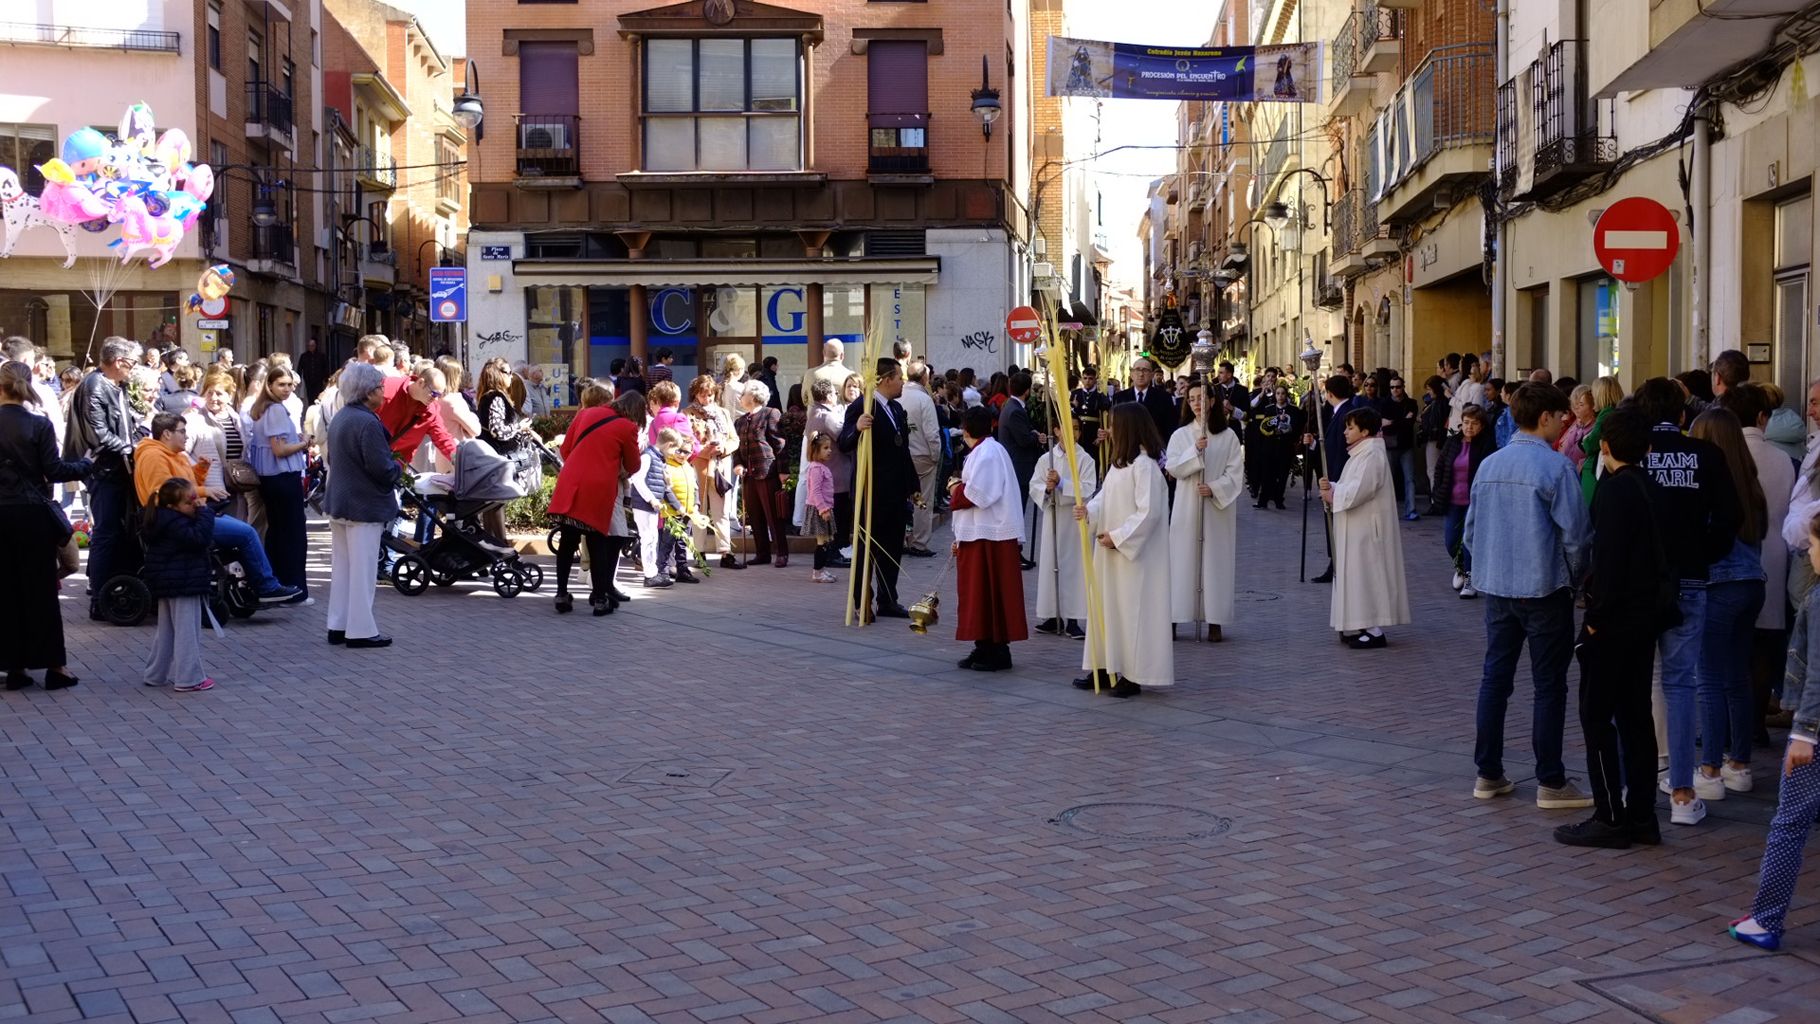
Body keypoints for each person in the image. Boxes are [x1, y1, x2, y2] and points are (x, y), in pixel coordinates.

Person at [1464, 383, 1593, 806]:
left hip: (1498, 587)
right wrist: (1576, 580)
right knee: (1548, 685)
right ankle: (1551, 780)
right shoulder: (1556, 468)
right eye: (1560, 417)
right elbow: (1576, 538)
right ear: (1544, 418)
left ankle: (1488, 772)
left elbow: (1470, 533)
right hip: (1543, 588)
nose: (1564, 423)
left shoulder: (1490, 465)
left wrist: (1486, 566)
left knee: (1495, 679)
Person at [1556, 408, 1674, 848]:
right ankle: (1642, 814)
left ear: (1604, 446)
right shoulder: (1651, 489)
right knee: (1635, 717)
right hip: (1645, 620)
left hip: (1615, 622)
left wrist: (1592, 625)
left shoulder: (1612, 493)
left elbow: (1605, 567)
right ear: (1645, 448)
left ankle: (1610, 814)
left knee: (1597, 717)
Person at [1637, 376, 1743, 826]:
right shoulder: (1706, 455)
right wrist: (1704, 552)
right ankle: (1682, 794)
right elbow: (1731, 516)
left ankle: (1635, 783)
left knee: (1639, 683)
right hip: (1692, 579)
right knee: (1681, 685)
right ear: (1682, 415)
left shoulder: (1632, 454)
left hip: (1642, 583)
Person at [1729, 516, 1820, 951]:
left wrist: (1804, 732)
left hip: (1815, 732)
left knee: (1789, 822)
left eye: (1813, 546)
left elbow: (1818, 672)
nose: (1808, 553)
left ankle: (1766, 918)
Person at [133, 412, 301, 604]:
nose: (186, 436)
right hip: (178, 522)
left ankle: (259, 585)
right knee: (247, 533)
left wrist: (201, 469)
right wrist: (205, 490)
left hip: (193, 514)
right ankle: (265, 587)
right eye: (182, 431)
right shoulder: (154, 457)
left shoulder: (176, 455)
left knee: (245, 531)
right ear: (166, 434)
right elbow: (165, 493)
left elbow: (184, 485)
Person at [1688, 407, 1769, 797]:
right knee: (1737, 676)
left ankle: (1711, 770)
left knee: (1709, 679)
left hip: (1719, 586)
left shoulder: (1707, 483)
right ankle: (1739, 764)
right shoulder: (1750, 483)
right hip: (1752, 583)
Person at [0, 360, 89, 691]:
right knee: (40, 592)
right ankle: (55, 666)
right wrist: (86, 466)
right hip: (32, 515)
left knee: (6, 591)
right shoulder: (38, 425)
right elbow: (54, 469)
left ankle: (15, 667)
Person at [1072, 403, 1171, 698]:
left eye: (1114, 425)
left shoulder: (1145, 467)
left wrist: (1117, 537)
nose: (1110, 431)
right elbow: (1105, 498)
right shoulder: (1120, 466)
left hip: (1133, 558)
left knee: (1131, 612)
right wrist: (1089, 510)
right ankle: (1103, 665)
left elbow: (1149, 513)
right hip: (1110, 551)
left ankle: (1132, 673)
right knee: (1106, 608)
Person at [1725, 383, 1797, 753]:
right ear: (1761, 417)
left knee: (1732, 648)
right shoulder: (1782, 459)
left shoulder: (1721, 452)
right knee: (1766, 648)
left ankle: (1731, 728)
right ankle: (1755, 723)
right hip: (1774, 556)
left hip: (1731, 561)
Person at [322, 362, 401, 649]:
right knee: (363, 570)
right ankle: (361, 630)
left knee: (342, 568)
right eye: (380, 388)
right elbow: (381, 467)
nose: (384, 393)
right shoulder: (367, 421)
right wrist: (397, 469)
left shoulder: (343, 415)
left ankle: (338, 624)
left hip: (340, 500)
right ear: (368, 393)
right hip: (363, 504)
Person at [547, 381, 641, 615]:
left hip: (571, 482)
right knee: (597, 541)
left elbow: (565, 450)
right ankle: (599, 599)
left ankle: (561, 594)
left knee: (568, 541)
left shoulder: (585, 414)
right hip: (598, 487)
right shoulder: (627, 427)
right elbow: (633, 465)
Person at [1320, 407, 1410, 650]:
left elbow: (1361, 490)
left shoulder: (1371, 455)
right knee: (1358, 576)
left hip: (1367, 530)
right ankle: (1361, 624)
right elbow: (1352, 485)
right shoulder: (1361, 454)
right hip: (1358, 527)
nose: (1345, 432)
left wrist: (1334, 495)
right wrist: (1334, 487)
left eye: (1351, 428)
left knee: (1368, 576)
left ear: (1366, 431)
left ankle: (1374, 629)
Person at [949, 405, 1029, 672]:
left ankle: (997, 651)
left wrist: (953, 488)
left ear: (966, 429)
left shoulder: (988, 454)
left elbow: (980, 495)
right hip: (979, 534)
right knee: (978, 595)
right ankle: (983, 645)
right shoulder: (984, 451)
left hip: (991, 535)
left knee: (991, 593)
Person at [66, 337, 141, 616]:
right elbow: (98, 433)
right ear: (119, 362)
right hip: (104, 470)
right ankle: (99, 596)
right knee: (107, 532)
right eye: (132, 363)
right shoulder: (95, 385)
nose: (134, 369)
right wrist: (130, 449)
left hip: (117, 468)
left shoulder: (115, 386)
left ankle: (113, 586)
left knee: (119, 530)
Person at [838, 358, 916, 619]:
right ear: (885, 379)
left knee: (892, 547)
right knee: (866, 549)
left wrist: (912, 485)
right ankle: (861, 602)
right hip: (870, 492)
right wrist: (857, 429)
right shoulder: (862, 406)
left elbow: (902, 449)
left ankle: (888, 598)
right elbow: (843, 442)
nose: (903, 382)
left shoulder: (894, 407)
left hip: (894, 492)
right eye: (899, 377)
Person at [1167, 383, 1244, 642]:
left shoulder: (1228, 436)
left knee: (1214, 561)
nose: (1197, 403)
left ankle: (1214, 617)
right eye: (1191, 399)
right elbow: (1173, 467)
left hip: (1215, 509)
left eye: (1201, 398)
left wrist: (1213, 488)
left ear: (1212, 400)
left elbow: (1235, 473)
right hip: (1187, 506)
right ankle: (1176, 616)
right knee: (1182, 559)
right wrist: (1195, 451)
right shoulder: (1180, 435)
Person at [139, 478, 216, 692]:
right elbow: (200, 538)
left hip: (169, 582)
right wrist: (206, 513)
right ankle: (189, 677)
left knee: (166, 632)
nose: (195, 505)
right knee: (187, 631)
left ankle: (155, 674)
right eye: (189, 502)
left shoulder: (162, 519)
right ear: (172, 506)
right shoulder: (177, 523)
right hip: (184, 582)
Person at [247, 366, 312, 600]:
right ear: (270, 386)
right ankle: (294, 590)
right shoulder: (273, 410)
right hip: (281, 477)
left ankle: (280, 585)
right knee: (292, 535)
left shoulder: (265, 408)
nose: (286, 389)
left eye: (290, 385)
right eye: (281, 384)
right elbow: (279, 449)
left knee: (279, 533)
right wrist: (303, 443)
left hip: (273, 479)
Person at [1030, 432, 1098, 640]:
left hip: (1074, 520)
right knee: (1052, 564)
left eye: (1077, 428)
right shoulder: (1046, 459)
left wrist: (1061, 484)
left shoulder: (1085, 459)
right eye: (1068, 427)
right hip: (1054, 516)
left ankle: (1073, 618)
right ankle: (1053, 615)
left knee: (1074, 568)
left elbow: (1087, 489)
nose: (1073, 432)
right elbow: (1035, 485)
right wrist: (1047, 490)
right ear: (1057, 430)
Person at [1432, 406, 1497, 597]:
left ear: (1482, 426)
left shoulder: (1487, 444)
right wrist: (1436, 492)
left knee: (1470, 540)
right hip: (1452, 499)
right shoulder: (1452, 442)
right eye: (1466, 422)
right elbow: (1440, 467)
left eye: (1474, 423)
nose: (1469, 427)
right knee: (1451, 541)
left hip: (1474, 501)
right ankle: (1460, 568)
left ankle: (1470, 579)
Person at [1309, 374, 1365, 584]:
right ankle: (1335, 561)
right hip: (1334, 475)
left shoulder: (1346, 413)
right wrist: (1314, 444)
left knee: (1337, 522)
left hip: (1340, 475)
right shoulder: (1337, 411)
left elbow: (1338, 448)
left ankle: (1338, 563)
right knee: (1332, 521)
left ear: (1330, 393)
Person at [681, 375, 740, 570]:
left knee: (722, 511)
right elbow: (685, 442)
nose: (708, 399)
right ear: (695, 394)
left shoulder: (722, 413)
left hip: (720, 467)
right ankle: (699, 551)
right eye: (703, 395)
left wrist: (723, 448)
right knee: (699, 511)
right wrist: (706, 450)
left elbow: (734, 439)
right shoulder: (688, 413)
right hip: (698, 466)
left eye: (711, 395)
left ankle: (725, 552)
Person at [733, 383, 790, 568]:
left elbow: (779, 444)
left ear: (752, 395)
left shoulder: (770, 413)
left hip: (768, 471)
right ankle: (762, 553)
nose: (740, 397)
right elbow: (738, 448)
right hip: (749, 474)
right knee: (755, 516)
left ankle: (781, 553)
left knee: (774, 515)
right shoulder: (740, 421)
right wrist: (738, 464)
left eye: (743, 393)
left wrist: (783, 470)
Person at [801, 378, 853, 568]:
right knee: (838, 515)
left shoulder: (813, 413)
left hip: (830, 471)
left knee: (836, 517)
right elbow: (844, 437)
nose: (836, 396)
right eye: (834, 392)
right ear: (828, 395)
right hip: (835, 471)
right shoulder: (825, 415)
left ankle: (834, 551)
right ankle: (835, 552)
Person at [997, 371, 1043, 568]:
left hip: (1017, 464)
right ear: (1027, 391)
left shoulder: (1013, 406)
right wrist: (1035, 436)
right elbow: (1023, 440)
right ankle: (1014, 553)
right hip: (1018, 466)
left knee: (1018, 510)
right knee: (1017, 511)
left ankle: (1017, 551)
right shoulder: (1014, 410)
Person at [901, 359, 943, 559]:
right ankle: (919, 542)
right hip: (922, 457)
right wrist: (936, 455)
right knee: (922, 500)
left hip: (902, 455)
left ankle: (901, 538)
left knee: (902, 498)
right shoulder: (924, 399)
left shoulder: (898, 395)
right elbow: (932, 433)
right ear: (924, 377)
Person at [655, 427, 705, 584]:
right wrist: (678, 507)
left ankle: (682, 569)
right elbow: (666, 491)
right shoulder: (667, 466)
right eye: (680, 451)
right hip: (672, 513)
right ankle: (662, 571)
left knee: (682, 543)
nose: (683, 455)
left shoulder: (689, 468)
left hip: (687, 513)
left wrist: (695, 505)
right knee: (667, 544)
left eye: (687, 452)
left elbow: (695, 488)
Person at [1250, 383, 1301, 511]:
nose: (1280, 396)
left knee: (1283, 475)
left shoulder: (1293, 410)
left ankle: (1279, 500)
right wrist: (1276, 422)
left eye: (1283, 393)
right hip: (1270, 446)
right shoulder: (1269, 409)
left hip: (1285, 447)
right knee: (1267, 475)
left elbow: (1296, 428)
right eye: (1278, 393)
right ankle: (1263, 501)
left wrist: (1287, 430)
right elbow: (1264, 426)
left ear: (1286, 395)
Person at [1577, 375, 1623, 504]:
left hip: (1596, 470)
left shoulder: (1605, 415)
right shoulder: (1617, 412)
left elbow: (1589, 444)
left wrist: (1584, 440)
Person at [1111, 358, 1178, 445]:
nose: (1141, 374)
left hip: (1155, 448)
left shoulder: (1164, 398)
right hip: (1127, 448)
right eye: (1137, 370)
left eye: (1145, 370)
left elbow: (1170, 427)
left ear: (1152, 375)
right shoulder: (1120, 397)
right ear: (1131, 374)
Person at [1382, 376, 1421, 520]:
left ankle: (1411, 510)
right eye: (1392, 387)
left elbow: (1409, 423)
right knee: (1388, 479)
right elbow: (1382, 424)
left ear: (1403, 387)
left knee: (1409, 479)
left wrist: (1391, 422)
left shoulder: (1411, 403)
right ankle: (1388, 512)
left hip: (1406, 446)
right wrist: (1402, 420)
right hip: (1390, 445)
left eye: (1397, 387)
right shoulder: (1385, 404)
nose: (1395, 390)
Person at [802, 433, 839, 583]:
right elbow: (815, 491)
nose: (829, 451)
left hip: (825, 508)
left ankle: (822, 570)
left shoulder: (821, 467)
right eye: (825, 448)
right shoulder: (816, 469)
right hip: (820, 510)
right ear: (815, 450)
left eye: (829, 448)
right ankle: (817, 572)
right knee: (821, 542)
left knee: (826, 541)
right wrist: (823, 509)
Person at [1071, 366, 1112, 454]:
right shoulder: (1075, 394)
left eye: (1090, 378)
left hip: (1094, 432)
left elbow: (1105, 415)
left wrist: (1100, 436)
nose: (1087, 381)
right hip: (1079, 431)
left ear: (1095, 380)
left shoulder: (1100, 395)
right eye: (1085, 378)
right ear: (1082, 379)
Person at [1558, 384, 1596, 474]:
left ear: (1593, 405)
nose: (1576, 408)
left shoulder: (1594, 429)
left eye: (1581, 404)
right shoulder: (1575, 425)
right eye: (1574, 404)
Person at [1448, 352, 1486, 430]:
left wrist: (1450, 397)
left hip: (1460, 423)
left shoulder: (1468, 384)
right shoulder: (1467, 382)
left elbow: (1465, 406)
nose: (1459, 366)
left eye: (1460, 363)